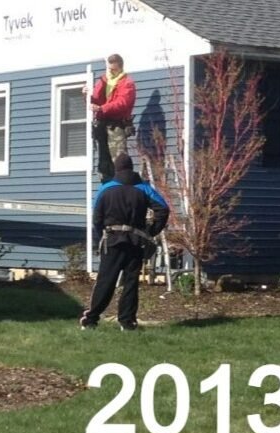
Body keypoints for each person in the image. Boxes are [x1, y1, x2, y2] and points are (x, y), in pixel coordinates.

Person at [79, 153, 170, 331]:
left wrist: (101, 236)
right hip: (135, 241)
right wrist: (151, 230)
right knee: (131, 282)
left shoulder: (106, 189)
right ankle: (127, 322)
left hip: (112, 240)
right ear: (131, 168)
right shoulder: (144, 188)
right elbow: (163, 209)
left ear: (117, 169)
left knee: (106, 280)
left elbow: (97, 218)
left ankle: (91, 319)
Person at [86, 54, 136, 183]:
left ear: (120, 68)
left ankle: (123, 186)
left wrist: (102, 108)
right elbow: (95, 100)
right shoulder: (103, 81)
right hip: (102, 124)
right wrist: (87, 94)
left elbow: (122, 103)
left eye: (113, 69)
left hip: (116, 125)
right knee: (104, 160)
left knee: (119, 159)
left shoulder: (127, 83)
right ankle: (107, 185)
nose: (111, 72)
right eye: (109, 69)